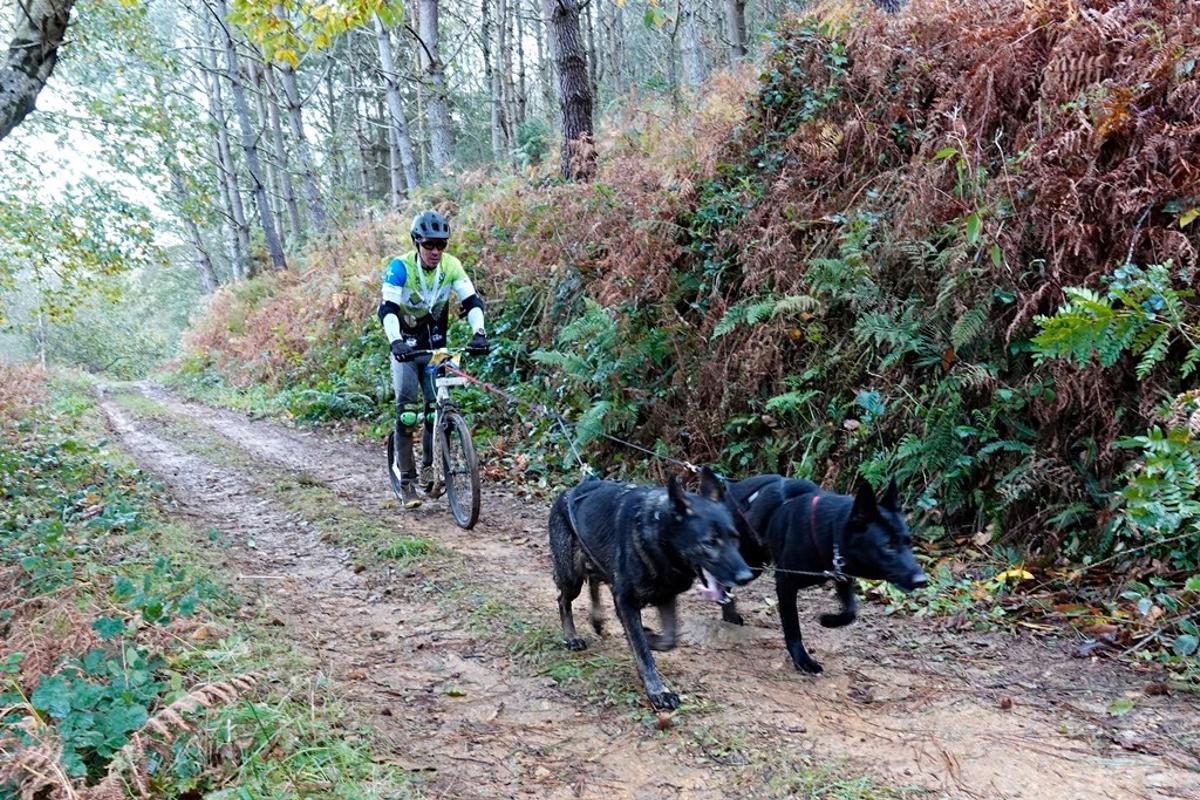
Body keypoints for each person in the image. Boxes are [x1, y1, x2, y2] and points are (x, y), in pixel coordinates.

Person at [379, 210, 489, 509]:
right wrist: (395, 341)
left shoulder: (451, 266)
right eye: (429, 245)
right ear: (417, 243)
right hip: (405, 349)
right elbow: (387, 309)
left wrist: (479, 332)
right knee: (408, 415)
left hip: (434, 346)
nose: (436, 251)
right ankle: (407, 482)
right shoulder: (399, 268)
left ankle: (429, 473)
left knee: (431, 413)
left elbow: (471, 300)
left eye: (442, 245)